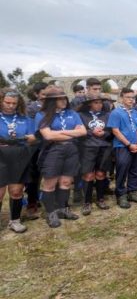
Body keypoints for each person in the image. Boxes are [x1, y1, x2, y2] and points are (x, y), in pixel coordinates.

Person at [35, 86, 87, 228]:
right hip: (52, 150)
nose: (63, 101)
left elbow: (82, 131)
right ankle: (51, 213)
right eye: (59, 99)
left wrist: (61, 132)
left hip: (71, 149)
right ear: (52, 101)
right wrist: (71, 132)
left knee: (65, 182)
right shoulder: (42, 115)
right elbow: (48, 135)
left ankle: (63, 209)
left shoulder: (71, 113)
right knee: (50, 184)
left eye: (64, 98)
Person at [0, 88, 36, 233]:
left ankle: (14, 220)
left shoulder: (25, 118)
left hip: (19, 156)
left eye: (14, 103)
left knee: (16, 191)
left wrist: (24, 138)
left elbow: (34, 137)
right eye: (7, 102)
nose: (10, 105)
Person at [107, 88, 137, 209]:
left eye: (133, 97)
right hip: (122, 146)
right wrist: (129, 144)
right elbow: (115, 130)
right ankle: (121, 194)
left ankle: (132, 192)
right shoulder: (116, 113)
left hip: (136, 146)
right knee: (122, 169)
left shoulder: (136, 113)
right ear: (121, 98)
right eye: (128, 97)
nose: (131, 100)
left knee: (136, 169)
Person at [77, 94, 114, 214]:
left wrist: (104, 133)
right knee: (88, 175)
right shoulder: (81, 115)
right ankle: (87, 202)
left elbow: (112, 130)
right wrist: (91, 132)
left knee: (101, 174)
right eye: (96, 102)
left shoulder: (107, 115)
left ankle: (100, 199)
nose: (99, 105)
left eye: (100, 102)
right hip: (88, 148)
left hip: (104, 147)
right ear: (89, 104)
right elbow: (79, 130)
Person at [23, 81, 47, 220]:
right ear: (36, 94)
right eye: (43, 94)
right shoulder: (31, 108)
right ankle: (32, 203)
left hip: (49, 144)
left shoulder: (53, 107)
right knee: (33, 176)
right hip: (35, 146)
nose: (45, 97)